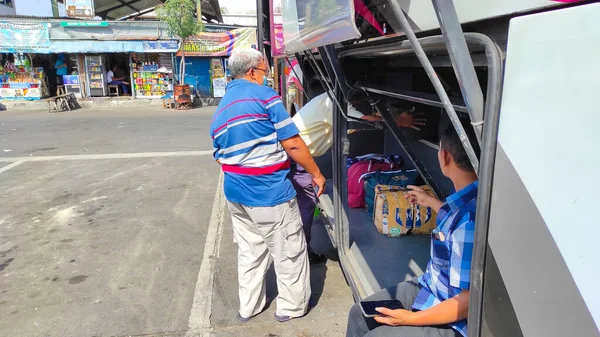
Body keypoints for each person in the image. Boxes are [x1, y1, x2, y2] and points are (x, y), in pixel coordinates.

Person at [210, 48, 326, 324]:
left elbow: (218, 153)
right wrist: (317, 174)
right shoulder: (264, 97)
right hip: (269, 193)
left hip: (236, 195)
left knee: (250, 252)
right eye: (264, 71)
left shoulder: (223, 105)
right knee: (289, 251)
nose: (266, 77)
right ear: (252, 72)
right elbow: (294, 143)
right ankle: (292, 307)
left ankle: (249, 307)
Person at [346, 125, 479, 337]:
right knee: (358, 314)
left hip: (454, 317)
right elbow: (456, 220)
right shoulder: (470, 199)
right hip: (432, 287)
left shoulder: (468, 223)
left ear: (444, 157)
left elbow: (467, 301)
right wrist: (431, 202)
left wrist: (410, 319)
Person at [290, 92, 426, 264]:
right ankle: (299, 256)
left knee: (303, 207)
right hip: (295, 158)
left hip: (298, 157)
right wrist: (399, 121)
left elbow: (358, 121)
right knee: (304, 208)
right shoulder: (333, 102)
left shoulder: (330, 98)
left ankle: (300, 252)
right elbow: (363, 121)